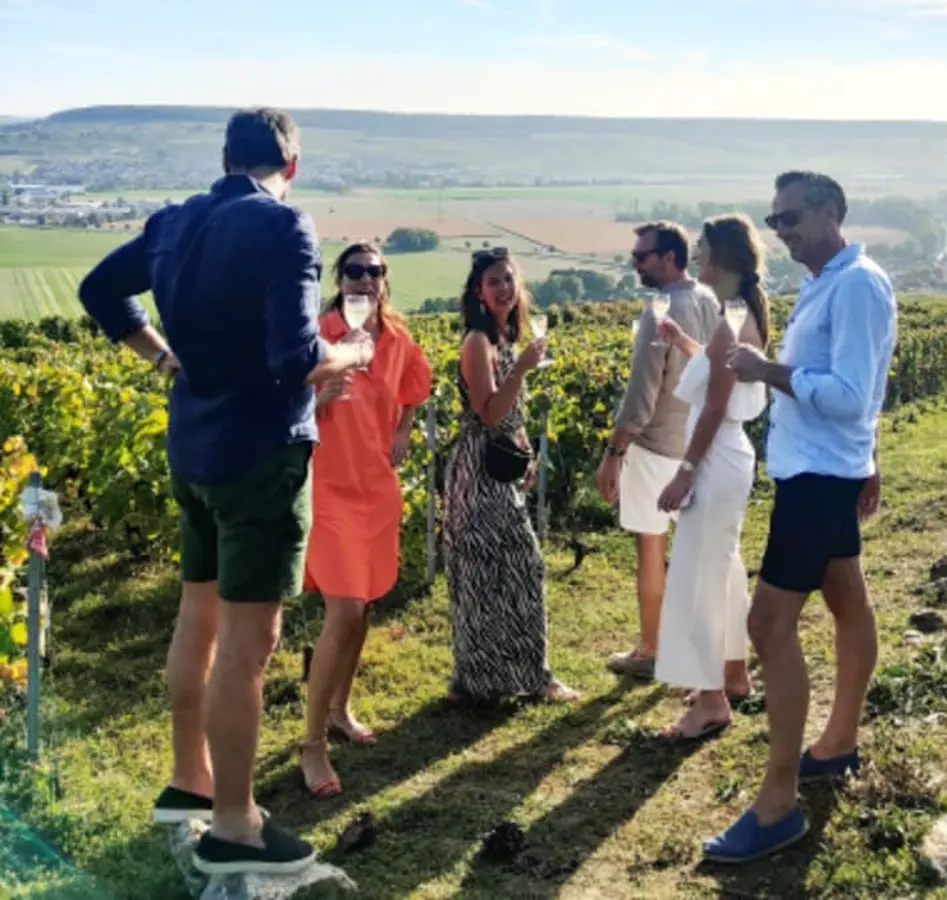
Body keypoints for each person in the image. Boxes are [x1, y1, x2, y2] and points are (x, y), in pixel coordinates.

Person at [77, 108, 373, 876]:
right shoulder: (285, 227)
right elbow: (293, 358)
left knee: (196, 616)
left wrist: (161, 358)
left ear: (223, 157)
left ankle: (189, 783)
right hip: (259, 459)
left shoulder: (174, 221)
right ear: (293, 164)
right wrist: (350, 352)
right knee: (248, 645)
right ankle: (237, 824)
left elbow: (97, 290)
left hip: (194, 449)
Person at [709, 171, 897, 864]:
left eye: (790, 217)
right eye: (774, 217)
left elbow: (851, 393)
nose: (779, 229)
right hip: (821, 466)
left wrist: (768, 371)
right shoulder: (827, 282)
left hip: (819, 477)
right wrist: (867, 453)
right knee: (847, 600)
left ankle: (778, 803)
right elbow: (865, 383)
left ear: (831, 212)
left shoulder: (855, 285)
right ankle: (838, 743)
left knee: (766, 624)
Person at [298, 242, 432, 798]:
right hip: (328, 489)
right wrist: (317, 395)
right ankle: (311, 743)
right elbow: (283, 400)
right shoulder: (319, 333)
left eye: (373, 271)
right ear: (340, 279)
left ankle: (339, 708)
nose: (363, 280)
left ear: (384, 279)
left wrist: (401, 429)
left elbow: (415, 388)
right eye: (353, 271)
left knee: (363, 608)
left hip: (376, 488)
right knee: (344, 608)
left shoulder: (397, 339)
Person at [442, 248, 579, 704]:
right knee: (487, 573)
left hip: (502, 466)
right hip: (477, 472)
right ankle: (484, 682)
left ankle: (519, 675)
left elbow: (509, 415)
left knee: (517, 567)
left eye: (509, 279)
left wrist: (524, 449)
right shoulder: (478, 343)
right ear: (478, 292)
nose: (503, 288)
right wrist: (520, 372)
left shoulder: (506, 339)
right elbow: (486, 414)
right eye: (493, 281)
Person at [652, 214, 769, 740]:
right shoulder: (741, 314)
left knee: (698, 575)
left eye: (701, 250)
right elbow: (723, 372)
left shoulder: (731, 322)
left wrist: (685, 473)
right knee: (722, 567)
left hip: (715, 458)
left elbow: (716, 406)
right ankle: (733, 672)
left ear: (721, 257)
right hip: (731, 458)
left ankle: (710, 699)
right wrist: (684, 342)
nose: (696, 258)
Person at [595, 222, 721, 680]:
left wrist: (613, 452)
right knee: (697, 550)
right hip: (698, 444)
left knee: (650, 547)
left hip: (655, 447)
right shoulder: (709, 300)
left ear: (669, 257)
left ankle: (651, 648)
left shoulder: (660, 311)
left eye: (642, 256)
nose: (635, 263)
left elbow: (641, 397)